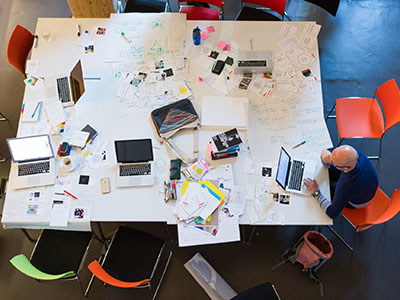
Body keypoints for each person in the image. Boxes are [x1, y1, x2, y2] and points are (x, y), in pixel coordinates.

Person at [303, 145, 379, 219]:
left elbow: (332, 213)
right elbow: (327, 164)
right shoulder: (353, 154)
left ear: (345, 168)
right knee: (329, 172)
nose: (330, 159)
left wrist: (316, 192)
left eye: (333, 162)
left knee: (327, 188)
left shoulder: (346, 185)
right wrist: (324, 152)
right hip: (366, 185)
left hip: (359, 202)